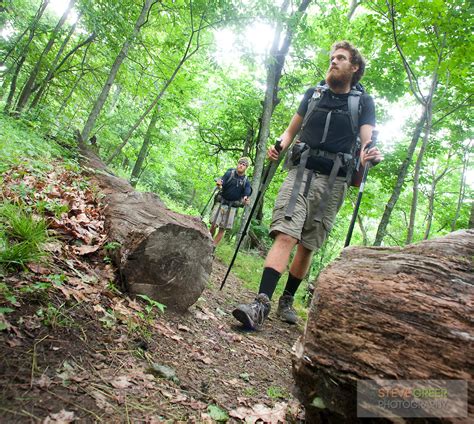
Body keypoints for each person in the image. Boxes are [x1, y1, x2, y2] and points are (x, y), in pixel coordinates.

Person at [232, 41, 383, 330]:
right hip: (300, 172)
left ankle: (287, 299)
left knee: (308, 244)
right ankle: (261, 302)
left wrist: (369, 152)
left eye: (341, 58)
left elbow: (367, 139)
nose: (333, 62)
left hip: (335, 181)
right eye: (332, 58)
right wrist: (279, 146)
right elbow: (291, 130)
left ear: (354, 67)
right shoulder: (313, 94)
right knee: (286, 233)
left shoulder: (364, 102)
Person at [209, 157, 252, 245]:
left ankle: (213, 247)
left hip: (232, 207)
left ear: (246, 167)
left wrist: (245, 197)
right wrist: (219, 183)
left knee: (222, 229)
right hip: (221, 202)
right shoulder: (229, 174)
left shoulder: (246, 181)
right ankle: (207, 242)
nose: (241, 166)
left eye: (244, 165)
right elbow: (222, 181)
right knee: (213, 225)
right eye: (240, 163)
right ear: (237, 164)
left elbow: (247, 190)